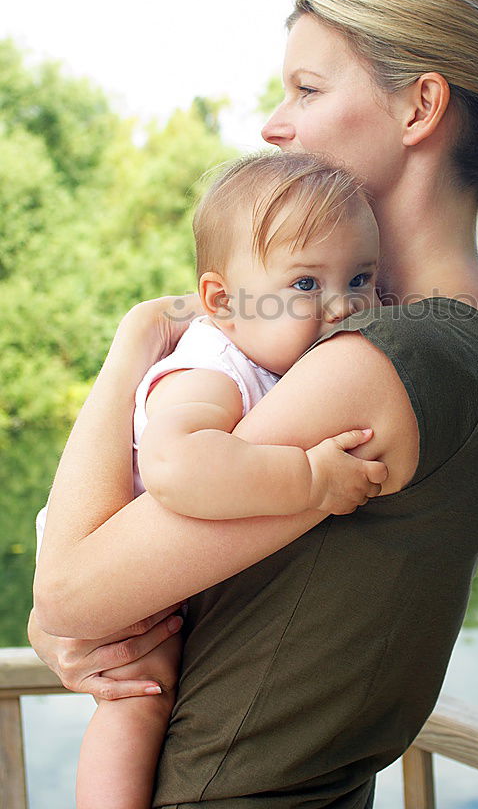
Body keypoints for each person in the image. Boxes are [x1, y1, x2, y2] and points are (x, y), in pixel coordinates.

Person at [30, 0, 478, 809]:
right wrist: (62, 636)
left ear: (420, 107)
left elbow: (71, 589)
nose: (274, 127)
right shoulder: (440, 342)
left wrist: (131, 352)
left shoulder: (384, 360)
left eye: (306, 88)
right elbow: (120, 596)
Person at [35, 151, 389, 809]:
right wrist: (308, 478)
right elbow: (176, 467)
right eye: (307, 284)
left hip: (163, 576)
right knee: (139, 697)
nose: (344, 304)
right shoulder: (210, 369)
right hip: (111, 546)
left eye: (362, 277)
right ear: (222, 301)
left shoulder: (284, 358)